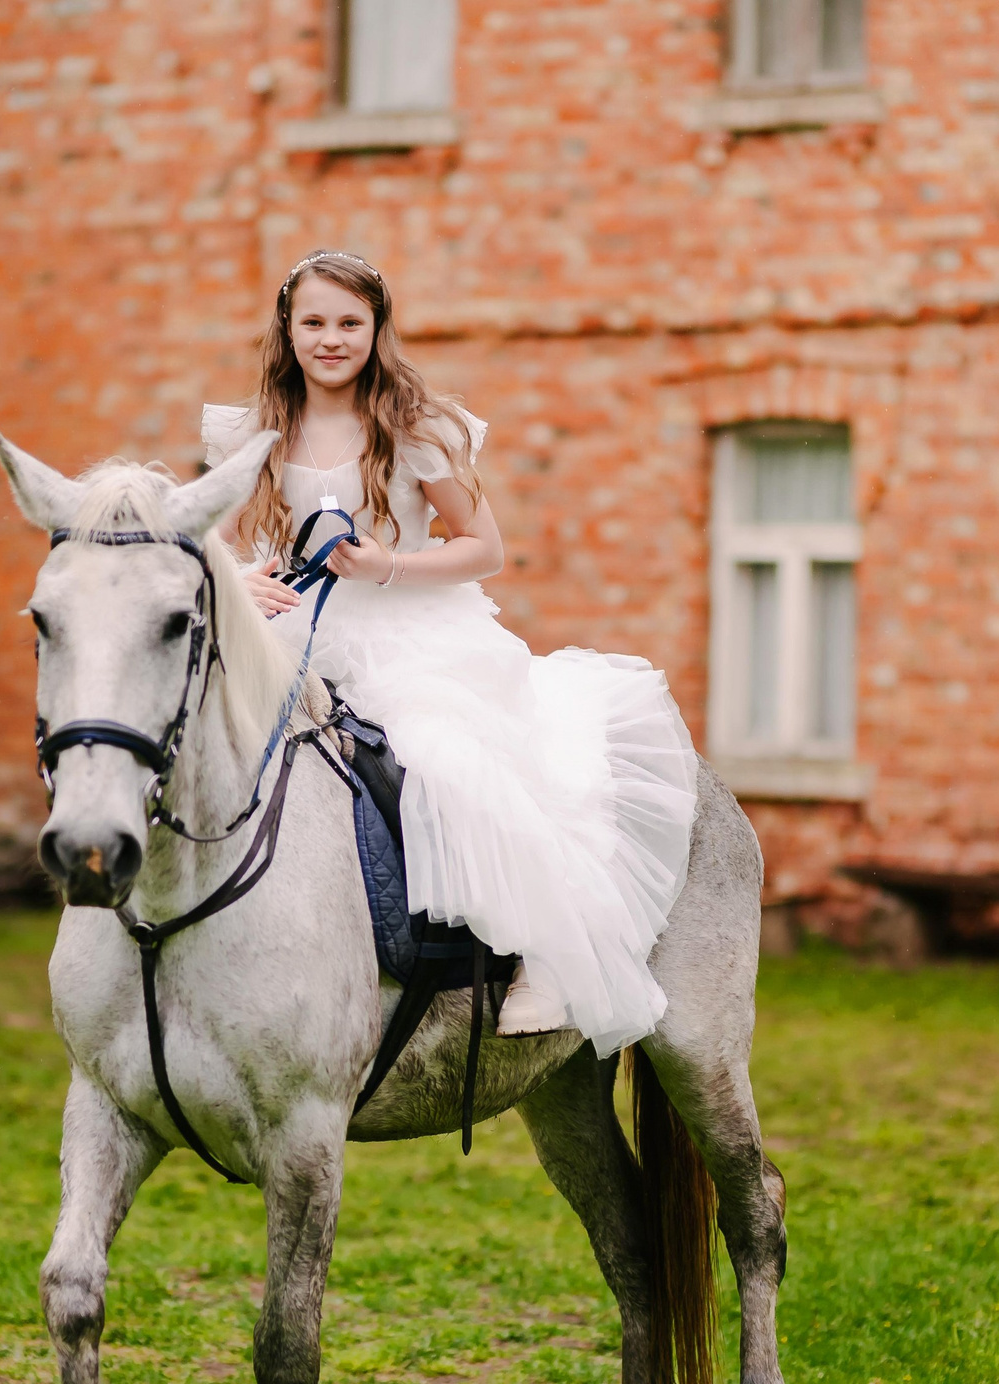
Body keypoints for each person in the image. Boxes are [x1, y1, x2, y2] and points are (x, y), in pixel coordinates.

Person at [202, 250, 698, 1055]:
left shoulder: (416, 427)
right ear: (287, 328)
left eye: (349, 324)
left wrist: (386, 565)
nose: (331, 339)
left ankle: (543, 954)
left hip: (411, 631)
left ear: (377, 329)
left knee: (446, 756)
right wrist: (237, 581)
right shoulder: (249, 431)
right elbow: (210, 541)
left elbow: (484, 548)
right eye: (314, 322)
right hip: (296, 631)